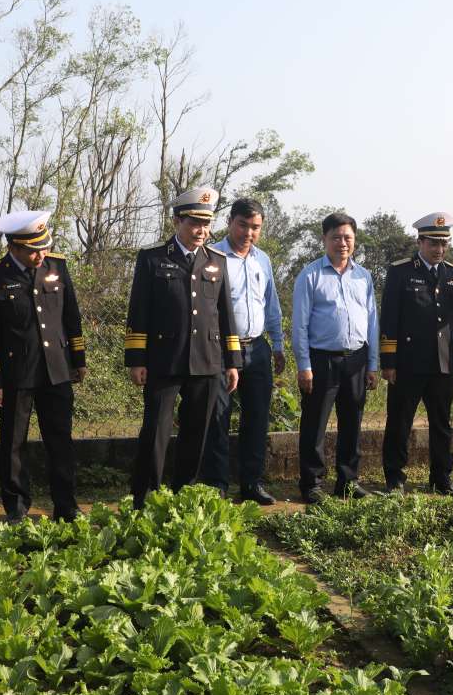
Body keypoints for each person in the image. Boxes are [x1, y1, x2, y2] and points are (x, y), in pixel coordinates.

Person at [125, 186, 241, 507]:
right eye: (194, 223)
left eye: (206, 224)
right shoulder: (152, 259)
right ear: (177, 221)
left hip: (206, 360)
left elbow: (225, 316)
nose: (201, 230)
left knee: (196, 433)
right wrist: (136, 359)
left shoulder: (217, 261)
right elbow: (139, 311)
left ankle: (183, 496)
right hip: (164, 360)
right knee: (155, 432)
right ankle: (145, 499)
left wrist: (232, 362)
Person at [0, 210, 86, 522]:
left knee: (60, 440)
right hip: (17, 373)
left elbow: (71, 316)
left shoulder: (57, 267)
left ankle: (66, 506)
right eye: (33, 250)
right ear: (13, 247)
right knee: (14, 443)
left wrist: (78, 359)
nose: (40, 255)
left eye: (44, 247)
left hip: (57, 370)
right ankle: (16, 509)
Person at [199, 198, 285, 505]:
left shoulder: (263, 260)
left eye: (255, 227)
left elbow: (271, 304)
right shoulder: (212, 257)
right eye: (243, 225)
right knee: (218, 418)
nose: (249, 233)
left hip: (257, 348)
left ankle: (252, 483)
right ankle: (217, 485)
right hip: (222, 350)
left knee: (257, 418)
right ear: (230, 222)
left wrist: (278, 344)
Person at [292, 212, 379, 503]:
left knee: (352, 422)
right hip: (321, 360)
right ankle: (312, 483)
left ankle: (348, 481)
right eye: (336, 237)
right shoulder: (310, 275)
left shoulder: (363, 276)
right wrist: (304, 366)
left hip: (357, 359)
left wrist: (373, 364)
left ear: (354, 240)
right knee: (315, 424)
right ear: (324, 239)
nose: (342, 243)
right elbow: (300, 325)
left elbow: (372, 321)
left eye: (347, 238)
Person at [379, 211, 453, 494]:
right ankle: (395, 478)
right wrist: (388, 361)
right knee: (400, 423)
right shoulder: (401, 271)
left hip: (443, 363)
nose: (439, 249)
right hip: (408, 362)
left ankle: (441, 478)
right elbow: (389, 318)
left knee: (441, 424)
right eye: (433, 243)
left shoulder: (452, 274)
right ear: (420, 242)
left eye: (444, 244)